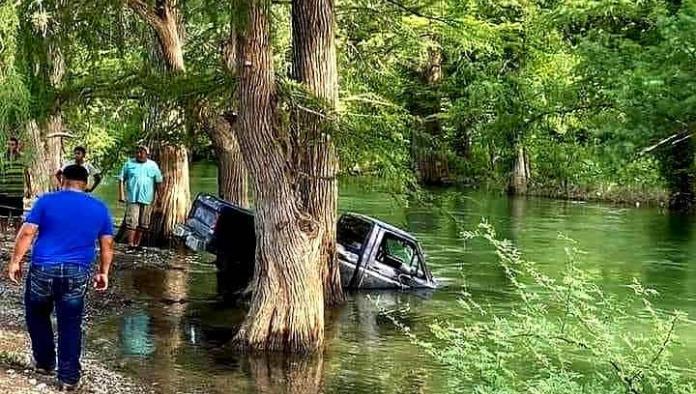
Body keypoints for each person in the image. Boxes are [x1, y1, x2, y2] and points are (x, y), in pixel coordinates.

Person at [6, 165, 114, 391]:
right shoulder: (99, 208)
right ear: (85, 183)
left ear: (62, 179)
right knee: (70, 323)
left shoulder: (46, 201)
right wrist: (103, 272)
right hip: (77, 272)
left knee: (37, 315)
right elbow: (107, 244)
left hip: (43, 267)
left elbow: (27, 232)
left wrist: (15, 261)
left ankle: (45, 363)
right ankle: (68, 378)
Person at [118, 145, 163, 249]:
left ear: (147, 154)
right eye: (137, 152)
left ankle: (137, 243)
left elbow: (158, 182)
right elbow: (121, 179)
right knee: (132, 222)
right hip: (132, 198)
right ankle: (130, 244)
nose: (139, 154)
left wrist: (160, 197)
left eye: (141, 152)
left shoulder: (153, 165)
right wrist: (121, 194)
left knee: (143, 223)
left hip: (147, 198)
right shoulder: (129, 164)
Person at [0, 137, 31, 233]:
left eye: (12, 144)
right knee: (3, 216)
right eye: (8, 144)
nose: (10, 147)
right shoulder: (1, 157)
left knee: (17, 216)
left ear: (17, 146)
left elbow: (26, 173)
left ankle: (17, 236)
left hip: (17, 191)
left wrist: (29, 188)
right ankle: (3, 235)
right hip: (4, 191)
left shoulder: (22, 157)